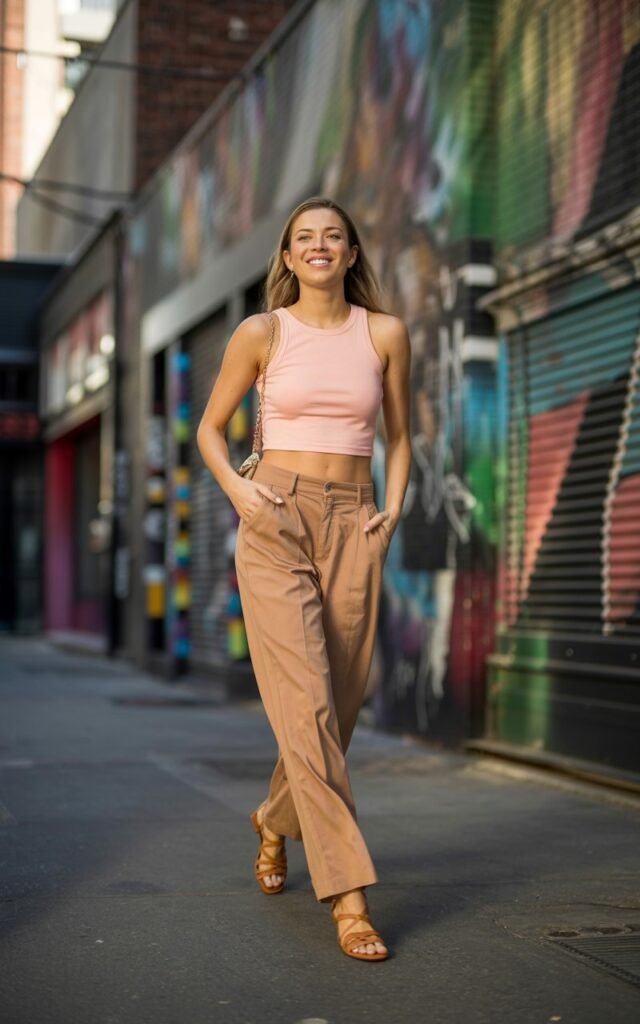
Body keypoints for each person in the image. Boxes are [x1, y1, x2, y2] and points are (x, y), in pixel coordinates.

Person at [196, 196, 411, 961]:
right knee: (308, 704)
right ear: (287, 257)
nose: (319, 246)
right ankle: (349, 895)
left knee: (336, 709)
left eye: (333, 236)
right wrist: (239, 491)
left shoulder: (384, 333)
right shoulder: (262, 333)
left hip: (355, 521)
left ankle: (273, 818)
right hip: (275, 517)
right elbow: (208, 429)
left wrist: (392, 512)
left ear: (351, 253)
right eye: (304, 238)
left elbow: (399, 438)